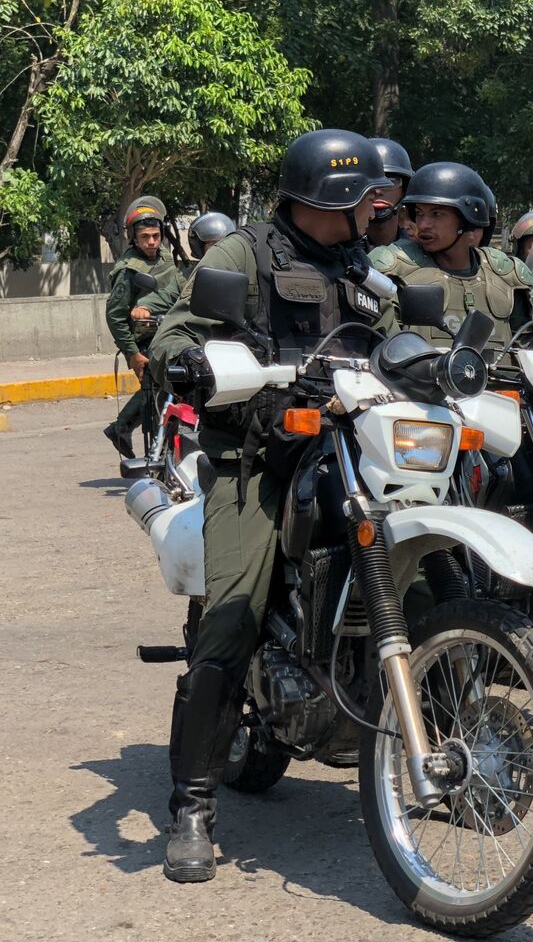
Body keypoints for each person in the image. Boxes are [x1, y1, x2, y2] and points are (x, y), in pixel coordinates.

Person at [149, 128, 397, 884]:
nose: (375, 210)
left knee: (424, 571)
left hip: (350, 452)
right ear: (333, 199)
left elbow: (399, 339)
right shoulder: (243, 257)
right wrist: (189, 361)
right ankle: (192, 806)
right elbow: (171, 332)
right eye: (364, 199)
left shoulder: (363, 267)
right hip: (254, 462)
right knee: (231, 618)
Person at [369, 162, 533, 352]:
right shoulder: (392, 268)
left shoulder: (508, 275)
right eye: (420, 214)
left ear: (467, 218)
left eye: (437, 214)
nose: (424, 225)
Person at [103, 196, 182, 457]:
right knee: (158, 393)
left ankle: (122, 428)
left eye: (156, 236)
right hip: (146, 340)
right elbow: (115, 316)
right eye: (145, 237)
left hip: (171, 333)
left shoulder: (166, 258)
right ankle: (146, 446)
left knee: (171, 390)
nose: (151, 242)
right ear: (134, 239)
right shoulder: (128, 269)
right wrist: (132, 353)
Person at [367, 137, 415, 248]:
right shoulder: (336, 252)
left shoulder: (422, 248)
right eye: (369, 183)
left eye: (390, 182)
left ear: (404, 190)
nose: (378, 191)